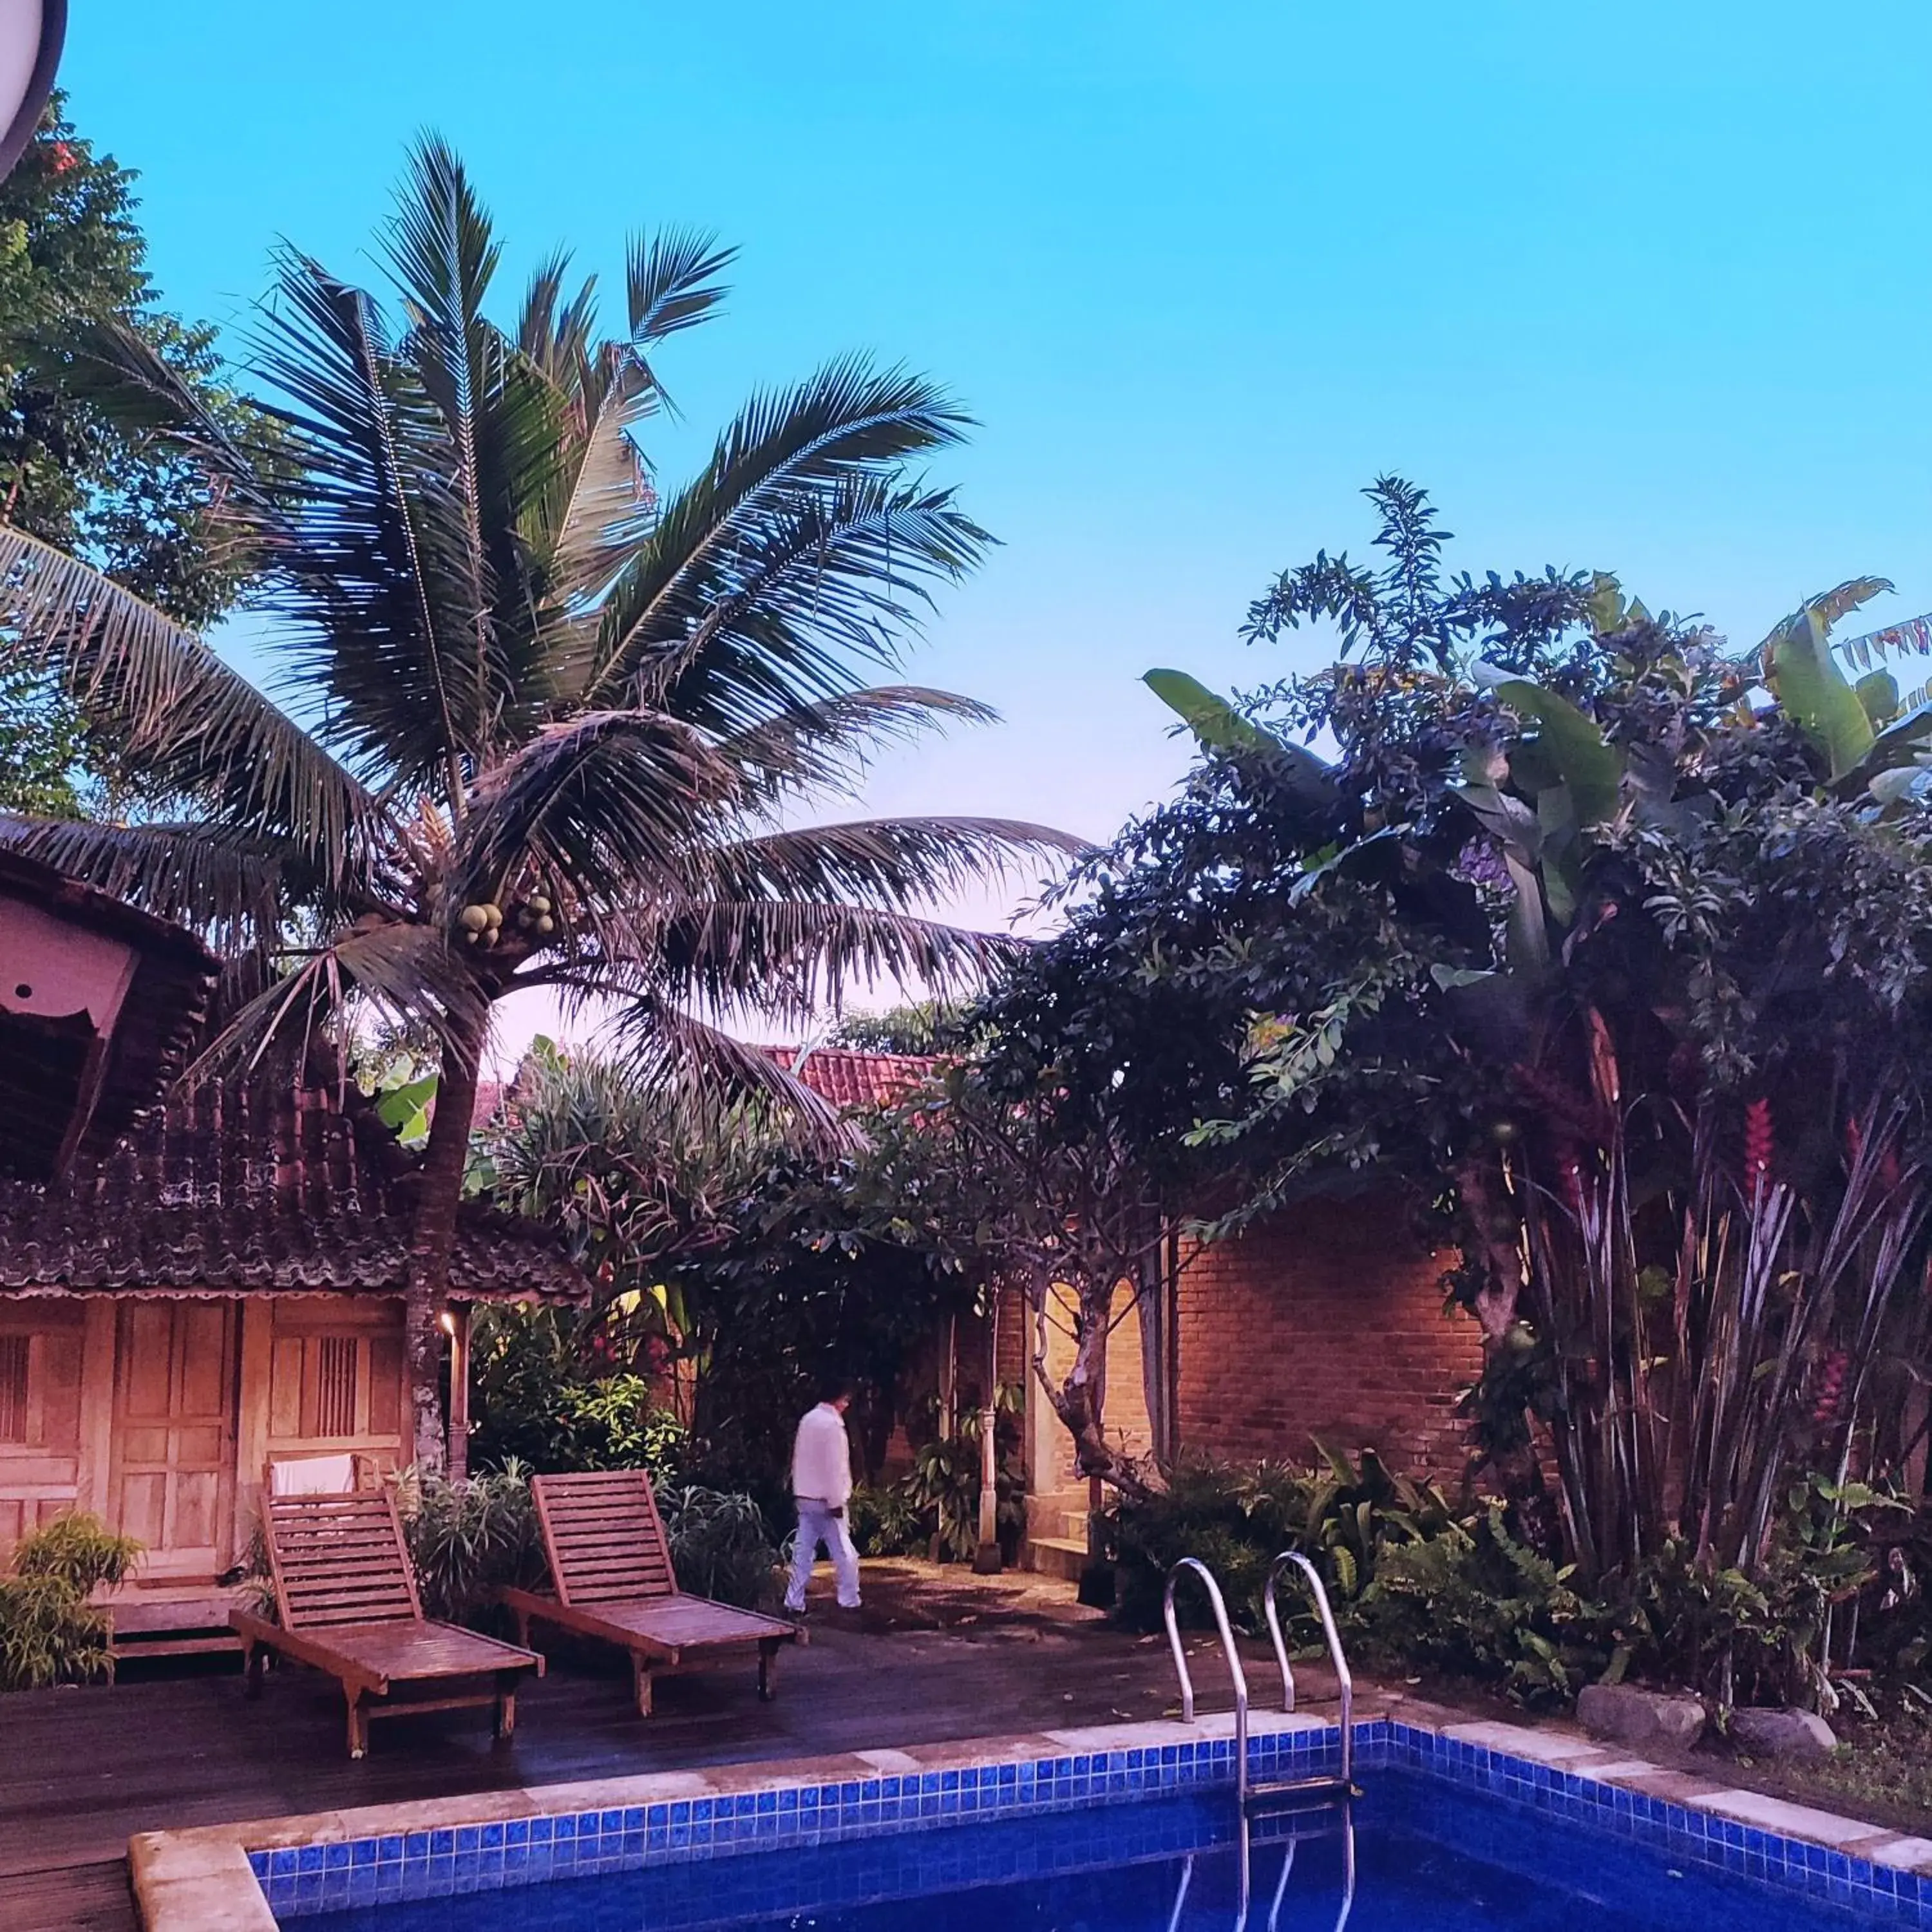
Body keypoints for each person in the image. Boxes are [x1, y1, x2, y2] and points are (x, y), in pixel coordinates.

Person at [784, 1372, 861, 1615]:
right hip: (827, 1500)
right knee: (844, 1552)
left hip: (805, 1496)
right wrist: (837, 1500)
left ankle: (793, 1600)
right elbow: (835, 1467)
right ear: (840, 1399)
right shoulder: (833, 1426)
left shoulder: (808, 1420)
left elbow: (799, 1459)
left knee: (803, 1552)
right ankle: (849, 1599)